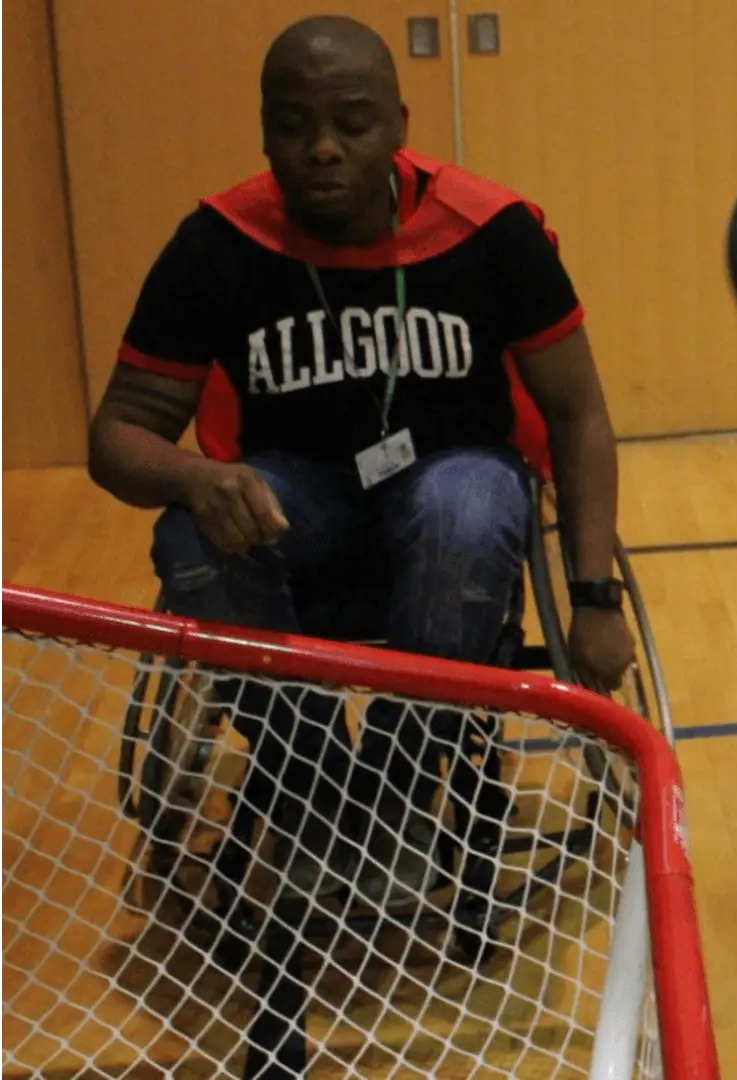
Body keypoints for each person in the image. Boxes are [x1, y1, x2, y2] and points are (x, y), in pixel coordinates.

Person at [86, 15, 633, 909]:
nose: (324, 149)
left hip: (451, 501)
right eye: (294, 126)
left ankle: (386, 791)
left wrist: (594, 595)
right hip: (298, 508)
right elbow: (118, 433)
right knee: (191, 530)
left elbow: (579, 413)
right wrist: (193, 476)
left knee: (469, 498)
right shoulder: (217, 244)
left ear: (400, 123)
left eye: (353, 121)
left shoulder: (489, 233)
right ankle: (312, 787)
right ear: (265, 131)